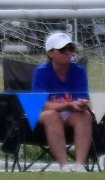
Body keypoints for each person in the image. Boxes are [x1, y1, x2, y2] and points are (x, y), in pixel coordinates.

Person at [31, 30, 93, 170]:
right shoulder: (41, 72)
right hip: (45, 114)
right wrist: (68, 105)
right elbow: (41, 105)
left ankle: (80, 166)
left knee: (84, 116)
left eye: (70, 49)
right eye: (62, 49)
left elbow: (81, 98)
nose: (68, 52)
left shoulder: (79, 71)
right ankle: (64, 166)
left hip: (70, 113)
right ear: (50, 53)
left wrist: (81, 104)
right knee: (51, 115)